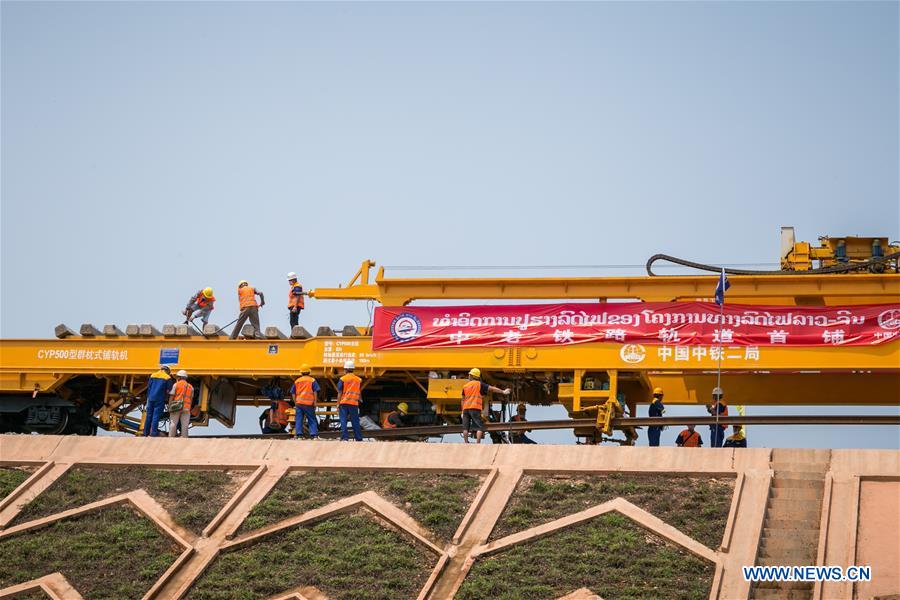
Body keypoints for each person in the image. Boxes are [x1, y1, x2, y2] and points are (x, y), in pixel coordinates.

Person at [461, 368, 510, 444]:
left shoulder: (465, 386)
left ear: (471, 376)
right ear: (477, 376)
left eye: (469, 375)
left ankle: (466, 442)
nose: (468, 376)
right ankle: (478, 442)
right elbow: (492, 389)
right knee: (480, 427)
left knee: (465, 427)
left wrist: (462, 410)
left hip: (465, 409)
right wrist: (503, 392)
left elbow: (462, 399)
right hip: (475, 408)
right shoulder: (479, 384)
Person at [143, 365, 173, 437]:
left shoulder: (153, 375)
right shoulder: (167, 377)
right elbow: (169, 389)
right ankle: (153, 433)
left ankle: (145, 433)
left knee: (149, 415)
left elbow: (149, 387)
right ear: (168, 371)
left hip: (150, 398)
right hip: (159, 399)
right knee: (155, 416)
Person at [291, 364, 319, 438]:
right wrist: (315, 402)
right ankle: (314, 435)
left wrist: (295, 402)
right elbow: (315, 392)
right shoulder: (312, 380)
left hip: (299, 403)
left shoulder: (297, 381)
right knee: (311, 419)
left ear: (301, 372)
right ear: (309, 372)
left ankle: (299, 435)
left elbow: (293, 393)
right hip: (309, 403)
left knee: (299, 419)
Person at [337, 360, 363, 441]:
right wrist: (360, 399)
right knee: (355, 421)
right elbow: (358, 391)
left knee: (343, 420)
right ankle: (358, 438)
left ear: (346, 369)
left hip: (344, 403)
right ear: (352, 369)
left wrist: (338, 404)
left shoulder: (342, 379)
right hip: (354, 403)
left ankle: (345, 438)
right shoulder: (358, 379)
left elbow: (339, 392)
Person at [168, 370, 194, 438]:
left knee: (173, 423)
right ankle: (185, 438)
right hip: (186, 408)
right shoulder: (190, 387)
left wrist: (169, 406)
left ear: (179, 377)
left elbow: (172, 396)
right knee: (185, 425)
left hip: (176, 406)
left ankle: (171, 437)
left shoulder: (176, 385)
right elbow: (191, 398)